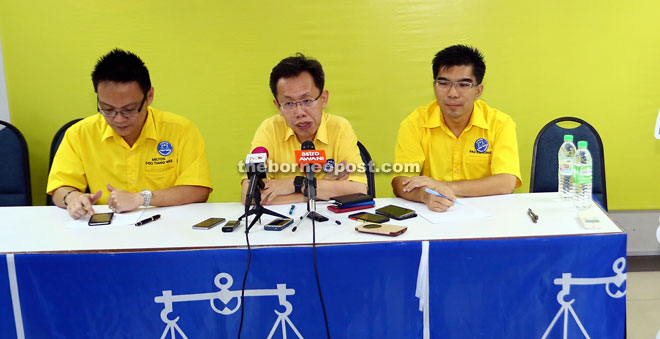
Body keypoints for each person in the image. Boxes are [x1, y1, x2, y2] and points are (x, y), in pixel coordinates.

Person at [47, 48, 213, 219]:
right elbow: (60, 189)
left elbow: (198, 190)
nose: (118, 119)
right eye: (107, 109)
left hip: (168, 226)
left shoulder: (180, 130)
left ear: (149, 96)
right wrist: (72, 198)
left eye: (129, 110)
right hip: (107, 230)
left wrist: (141, 198)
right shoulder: (80, 134)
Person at [392, 45, 521, 212]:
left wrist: (443, 186)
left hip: (487, 215)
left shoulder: (500, 123)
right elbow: (400, 182)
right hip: (434, 214)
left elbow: (506, 182)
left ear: (478, 90)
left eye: (463, 84)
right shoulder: (415, 123)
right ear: (434, 87)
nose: (453, 93)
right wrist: (424, 195)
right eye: (444, 83)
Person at [241, 53, 367, 205]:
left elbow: (359, 189)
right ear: (277, 107)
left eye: (307, 101)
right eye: (288, 104)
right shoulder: (270, 129)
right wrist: (314, 190)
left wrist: (295, 183)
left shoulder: (339, 128)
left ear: (324, 99)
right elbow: (250, 195)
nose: (300, 112)